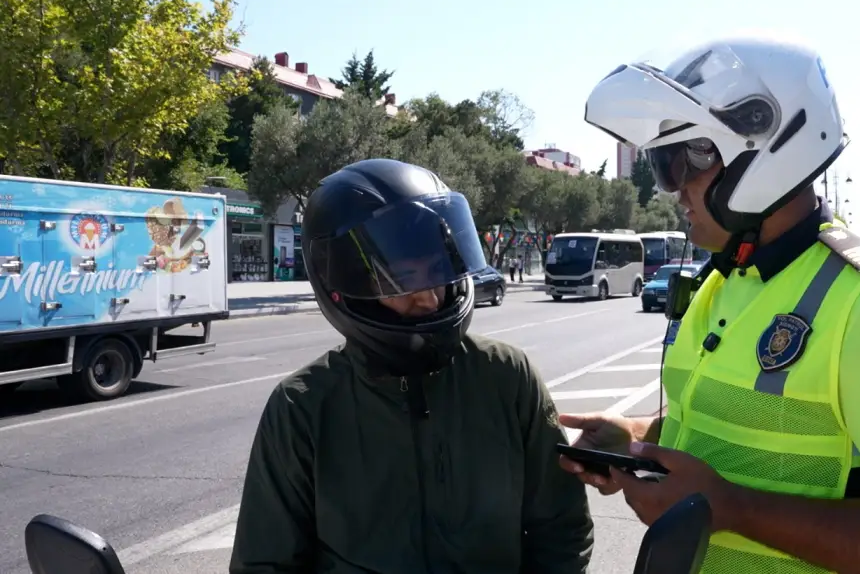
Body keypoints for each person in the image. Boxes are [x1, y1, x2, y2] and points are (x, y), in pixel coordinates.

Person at [560, 35, 860, 573]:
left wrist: (730, 509)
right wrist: (636, 439)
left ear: (764, 151)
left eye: (680, 161)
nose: (671, 189)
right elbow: (736, 435)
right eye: (659, 164)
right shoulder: (725, 281)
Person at [230, 159, 593, 574]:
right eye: (400, 279)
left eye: (436, 272)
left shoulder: (507, 376)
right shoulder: (303, 408)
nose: (428, 299)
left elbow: (562, 527)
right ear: (345, 287)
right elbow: (264, 562)